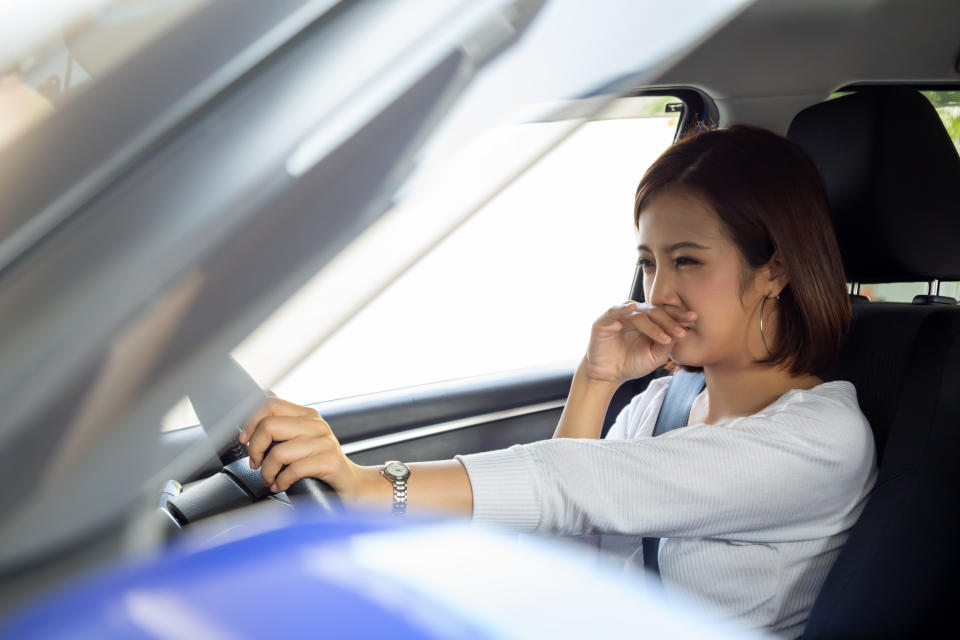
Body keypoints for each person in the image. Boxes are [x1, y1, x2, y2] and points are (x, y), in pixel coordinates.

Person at [238, 124, 878, 638]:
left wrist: (372, 487)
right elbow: (571, 543)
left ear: (776, 271)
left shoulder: (820, 438)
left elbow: (572, 483)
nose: (660, 292)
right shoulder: (662, 403)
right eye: (650, 264)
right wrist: (596, 379)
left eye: (688, 261)